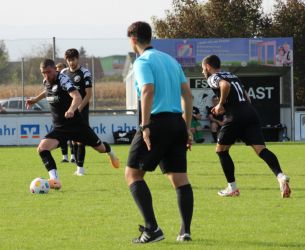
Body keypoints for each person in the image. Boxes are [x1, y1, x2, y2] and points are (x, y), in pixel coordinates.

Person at [125, 21, 194, 243]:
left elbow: (147, 90)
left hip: (157, 123)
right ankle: (185, 231)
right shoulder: (171, 60)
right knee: (179, 178)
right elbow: (188, 96)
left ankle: (152, 229)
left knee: (133, 174)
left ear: (133, 39)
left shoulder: (142, 61)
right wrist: (187, 127)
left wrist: (145, 125)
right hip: (177, 123)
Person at [201, 54, 291, 198]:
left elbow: (225, 85)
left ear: (208, 67)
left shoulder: (212, 77)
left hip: (235, 115)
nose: (202, 72)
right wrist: (229, 105)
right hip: (250, 112)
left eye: (202, 69)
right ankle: (280, 176)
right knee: (261, 150)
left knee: (221, 151)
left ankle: (232, 188)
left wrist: (221, 104)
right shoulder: (231, 74)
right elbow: (246, 97)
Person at [26, 59, 119, 190]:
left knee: (100, 148)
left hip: (77, 126)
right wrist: (35, 99)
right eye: (43, 73)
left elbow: (77, 97)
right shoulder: (46, 81)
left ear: (55, 69)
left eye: (49, 72)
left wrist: (71, 109)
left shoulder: (63, 80)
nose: (46, 75)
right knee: (42, 148)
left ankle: (110, 152)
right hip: (60, 128)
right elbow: (47, 91)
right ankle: (55, 180)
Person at [62, 49, 92, 176]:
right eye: (68, 60)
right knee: (72, 139)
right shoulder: (63, 73)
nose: (71, 62)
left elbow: (88, 94)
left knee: (80, 139)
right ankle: (77, 166)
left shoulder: (84, 72)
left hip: (81, 111)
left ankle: (80, 168)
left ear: (77, 59)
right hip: (68, 111)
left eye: (73, 60)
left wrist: (78, 109)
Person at [56, 62, 76, 163]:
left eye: (60, 68)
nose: (58, 70)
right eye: (57, 68)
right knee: (62, 136)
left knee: (72, 136)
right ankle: (64, 157)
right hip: (60, 112)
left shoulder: (67, 79)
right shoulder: (54, 81)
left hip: (70, 111)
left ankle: (73, 156)